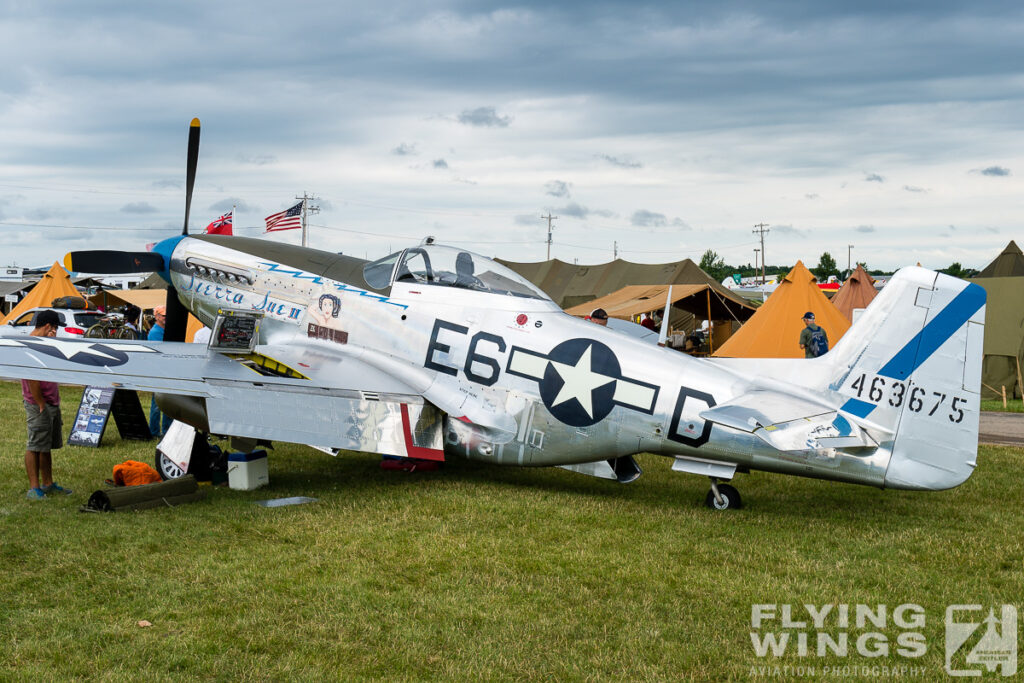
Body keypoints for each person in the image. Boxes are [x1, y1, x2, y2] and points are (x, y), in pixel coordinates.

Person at [22, 310, 72, 500]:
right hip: (39, 404)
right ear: (48, 327)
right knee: (35, 445)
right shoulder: (31, 345)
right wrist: (41, 402)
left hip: (50, 402)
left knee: (46, 445)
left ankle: (48, 483)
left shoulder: (45, 343)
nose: (57, 332)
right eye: (56, 328)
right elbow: (32, 378)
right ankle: (34, 488)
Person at [147, 305, 172, 437]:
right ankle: (155, 431)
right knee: (157, 404)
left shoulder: (163, 330)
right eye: (163, 316)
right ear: (157, 316)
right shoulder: (156, 332)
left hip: (164, 371)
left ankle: (164, 430)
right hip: (158, 371)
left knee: (166, 402)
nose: (165, 318)